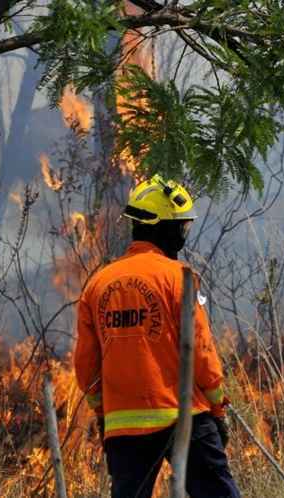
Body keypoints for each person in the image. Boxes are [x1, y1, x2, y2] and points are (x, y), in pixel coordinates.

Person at [74, 175, 241, 498]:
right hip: (185, 417)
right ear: (159, 226)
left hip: (124, 426)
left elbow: (86, 366)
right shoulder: (179, 278)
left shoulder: (97, 285)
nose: (182, 235)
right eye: (180, 227)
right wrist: (218, 409)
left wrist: (103, 413)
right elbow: (201, 352)